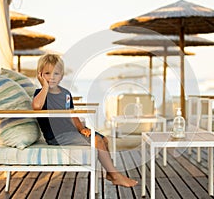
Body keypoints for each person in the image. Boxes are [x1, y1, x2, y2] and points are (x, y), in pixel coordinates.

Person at [32, 53, 138, 188]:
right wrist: (45, 87)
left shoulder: (65, 94)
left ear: (62, 76)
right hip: (56, 137)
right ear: (40, 75)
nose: (52, 77)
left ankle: (110, 173)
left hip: (71, 132)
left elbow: (72, 115)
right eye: (47, 73)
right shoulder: (39, 94)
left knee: (104, 140)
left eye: (56, 74)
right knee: (97, 141)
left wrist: (81, 128)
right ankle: (115, 175)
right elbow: (36, 106)